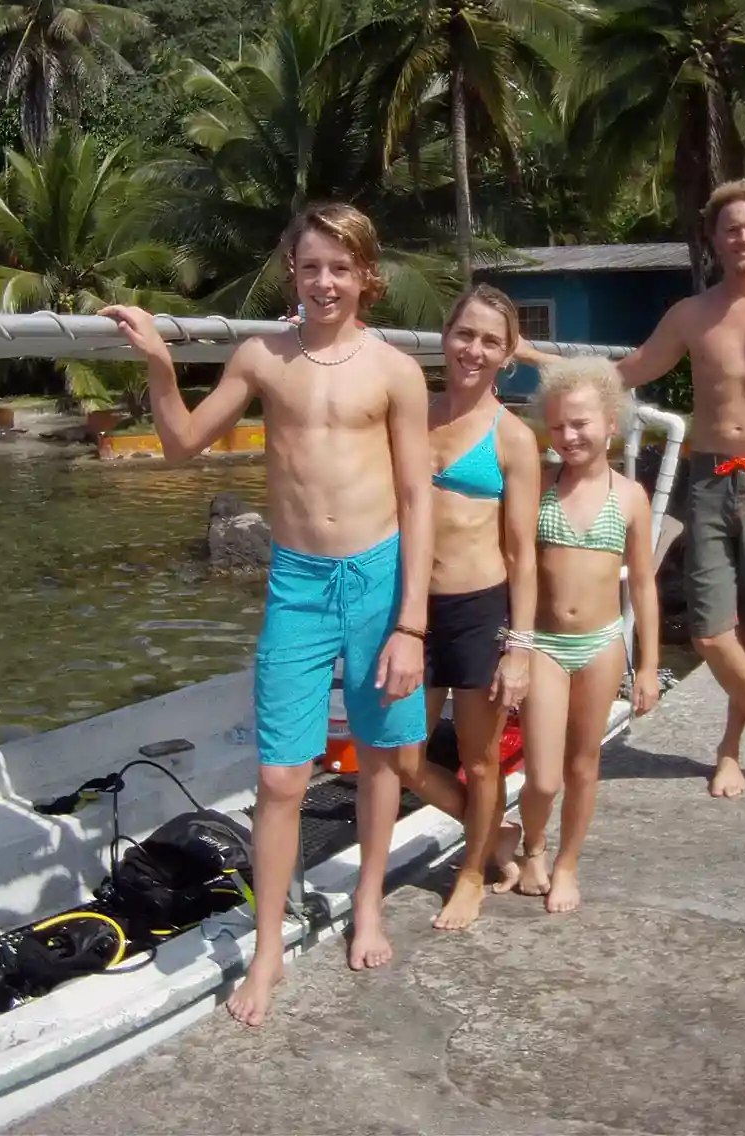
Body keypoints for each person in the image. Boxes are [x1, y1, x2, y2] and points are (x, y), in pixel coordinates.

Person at [101, 202, 432, 1030]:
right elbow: (181, 445)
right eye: (311, 265)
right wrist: (159, 364)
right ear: (293, 268)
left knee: (383, 756)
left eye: (341, 268)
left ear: (366, 275)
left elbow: (420, 497)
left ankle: (367, 907)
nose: (325, 282)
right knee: (282, 777)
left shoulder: (394, 371)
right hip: (296, 584)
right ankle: (268, 947)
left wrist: (412, 624)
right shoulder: (262, 357)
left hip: (379, 579)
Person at [517, 179, 745, 799]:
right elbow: (620, 374)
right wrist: (529, 354)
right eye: (730, 228)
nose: (743, 237)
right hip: (709, 477)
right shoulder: (690, 315)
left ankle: (732, 750)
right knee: (711, 632)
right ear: (713, 239)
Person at [397, 286, 540, 931]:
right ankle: (495, 838)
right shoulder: (410, 415)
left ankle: (473, 873)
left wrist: (520, 646)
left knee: (480, 760)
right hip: (410, 611)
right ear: (444, 336)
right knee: (404, 757)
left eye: (491, 341)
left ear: (508, 354)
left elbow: (523, 552)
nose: (474, 350)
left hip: (480, 610)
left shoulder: (513, 439)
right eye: (465, 335)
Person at [513, 359, 661, 912]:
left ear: (611, 423)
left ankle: (567, 863)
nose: (569, 436)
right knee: (544, 776)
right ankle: (532, 845)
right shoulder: (539, 489)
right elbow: (518, 566)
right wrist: (516, 644)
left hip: (601, 645)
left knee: (584, 765)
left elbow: (643, 585)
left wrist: (646, 666)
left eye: (580, 424)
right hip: (547, 645)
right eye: (556, 427)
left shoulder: (630, 498)